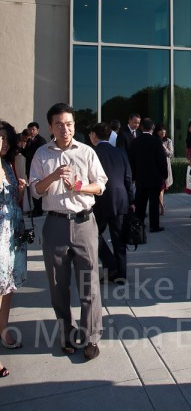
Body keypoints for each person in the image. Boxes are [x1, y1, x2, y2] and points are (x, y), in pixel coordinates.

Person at [29, 102, 108, 360]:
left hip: (85, 223)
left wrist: (79, 186)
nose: (66, 129)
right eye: (60, 124)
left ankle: (91, 336)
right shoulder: (42, 154)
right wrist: (52, 177)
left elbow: (100, 186)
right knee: (57, 285)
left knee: (89, 285)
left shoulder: (86, 152)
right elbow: (35, 190)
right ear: (51, 127)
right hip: (55, 225)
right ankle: (66, 332)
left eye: (70, 124)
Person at [89, 122, 134, 282]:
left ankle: (111, 264)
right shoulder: (120, 152)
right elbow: (128, 177)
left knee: (92, 234)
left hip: (99, 199)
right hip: (120, 198)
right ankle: (120, 273)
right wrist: (131, 200)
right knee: (118, 237)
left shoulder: (91, 153)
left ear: (94, 135)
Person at [0, 121, 27, 379]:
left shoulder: (8, 165)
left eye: (8, 140)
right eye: (0, 139)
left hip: (11, 234)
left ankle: (4, 328)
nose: (4, 144)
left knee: (7, 287)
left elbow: (13, 202)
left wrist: (19, 190)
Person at [129, 117, 168, 233]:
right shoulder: (156, 141)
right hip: (155, 178)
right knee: (154, 202)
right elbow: (162, 160)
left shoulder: (135, 142)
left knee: (140, 202)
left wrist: (134, 176)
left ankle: (139, 225)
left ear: (141, 127)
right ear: (153, 128)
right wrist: (164, 175)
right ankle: (154, 226)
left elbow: (131, 161)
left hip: (141, 177)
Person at [21, 121, 47, 216]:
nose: (31, 131)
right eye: (30, 129)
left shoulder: (41, 140)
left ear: (37, 130)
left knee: (37, 188)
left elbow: (41, 155)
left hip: (37, 169)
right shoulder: (29, 140)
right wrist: (19, 148)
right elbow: (26, 153)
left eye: (33, 129)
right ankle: (35, 208)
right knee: (32, 188)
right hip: (29, 168)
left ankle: (39, 209)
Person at [154, 124, 174, 215]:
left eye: (164, 130)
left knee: (161, 188)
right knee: (160, 188)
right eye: (161, 130)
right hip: (156, 168)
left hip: (165, 167)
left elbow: (170, 154)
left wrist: (163, 147)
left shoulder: (168, 141)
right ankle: (161, 205)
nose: (163, 132)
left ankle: (161, 205)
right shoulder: (153, 140)